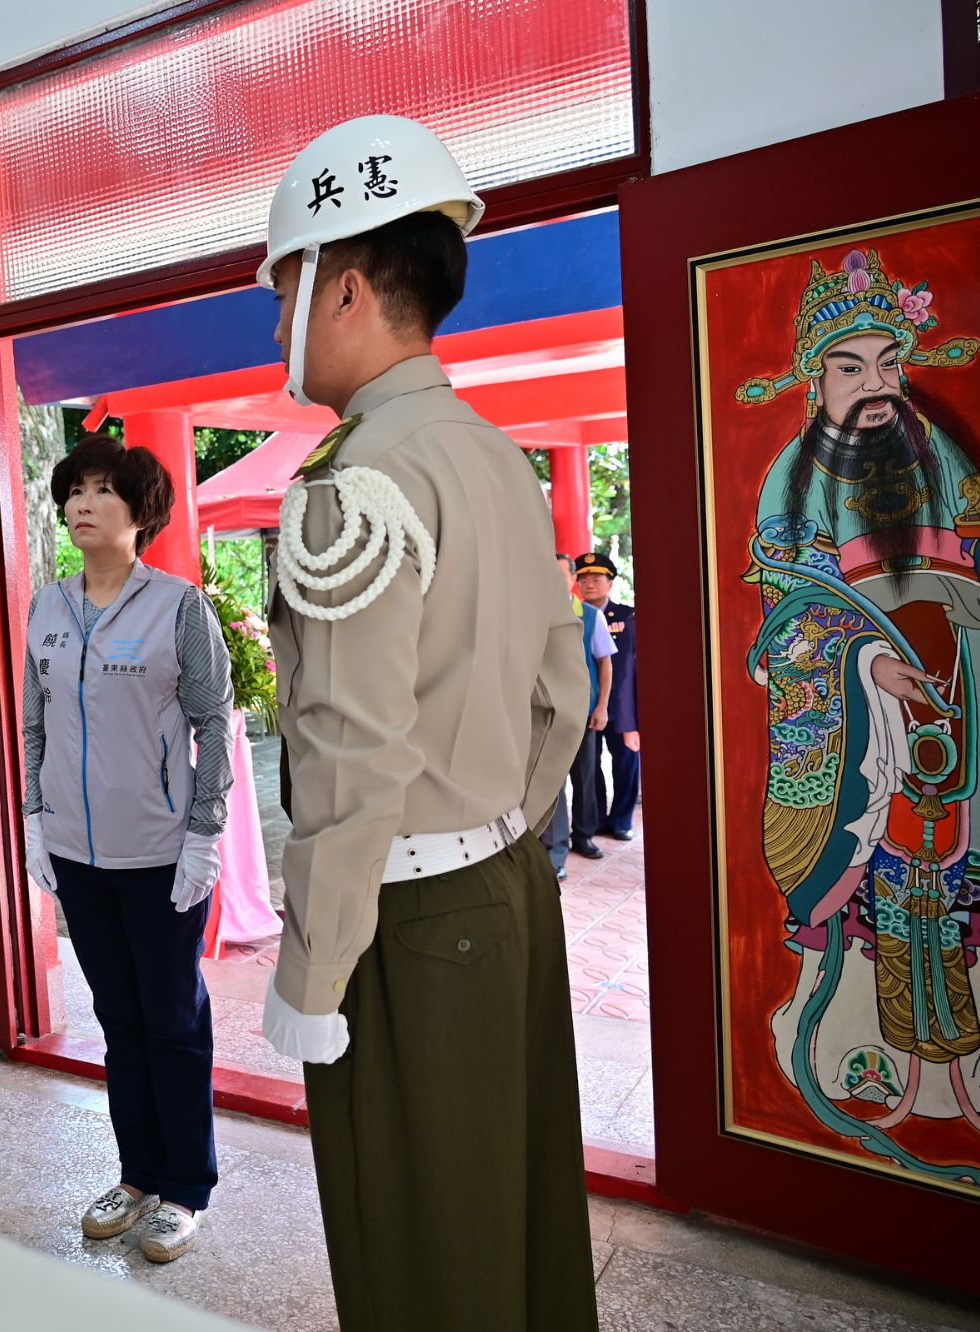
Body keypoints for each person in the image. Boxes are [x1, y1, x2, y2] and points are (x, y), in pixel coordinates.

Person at [255, 115, 596, 1329]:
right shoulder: (493, 457)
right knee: (517, 1224)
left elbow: (352, 759)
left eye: (282, 281)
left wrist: (311, 968)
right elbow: (569, 693)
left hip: (403, 921)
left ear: (343, 286)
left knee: (414, 1252)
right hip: (503, 887)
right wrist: (492, 814)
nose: (273, 313)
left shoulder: (358, 483)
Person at [738, 248, 980, 1175]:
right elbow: (788, 622)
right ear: (817, 377)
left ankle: (956, 1061)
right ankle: (886, 1058)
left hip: (960, 689)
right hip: (864, 720)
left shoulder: (943, 458)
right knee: (883, 873)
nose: (875, 383)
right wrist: (870, 665)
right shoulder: (789, 483)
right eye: (851, 367)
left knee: (960, 867)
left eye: (888, 362)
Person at [22, 437, 233, 1265]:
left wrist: (204, 832)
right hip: (76, 853)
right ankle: (138, 1173)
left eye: (102, 491)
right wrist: (35, 818)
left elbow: (214, 722)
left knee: (171, 1019)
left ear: (141, 510)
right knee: (118, 1020)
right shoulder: (46, 605)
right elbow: (35, 720)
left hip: (159, 851)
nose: (81, 504)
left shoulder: (178, 606)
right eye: (73, 490)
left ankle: (185, 1188)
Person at [574, 552, 639, 841]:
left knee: (624, 761)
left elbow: (633, 667)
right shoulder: (573, 617)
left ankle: (622, 820)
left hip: (621, 704)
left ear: (610, 583)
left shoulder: (627, 617)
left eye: (596, 579)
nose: (589, 584)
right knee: (590, 765)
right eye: (583, 579)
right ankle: (596, 817)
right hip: (588, 702)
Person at [566, 552, 617, 862]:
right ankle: (550, 838)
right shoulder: (537, 613)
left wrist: (602, 707)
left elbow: (605, 663)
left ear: (569, 579)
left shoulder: (590, 616)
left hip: (584, 711)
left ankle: (583, 834)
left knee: (585, 775)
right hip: (548, 712)